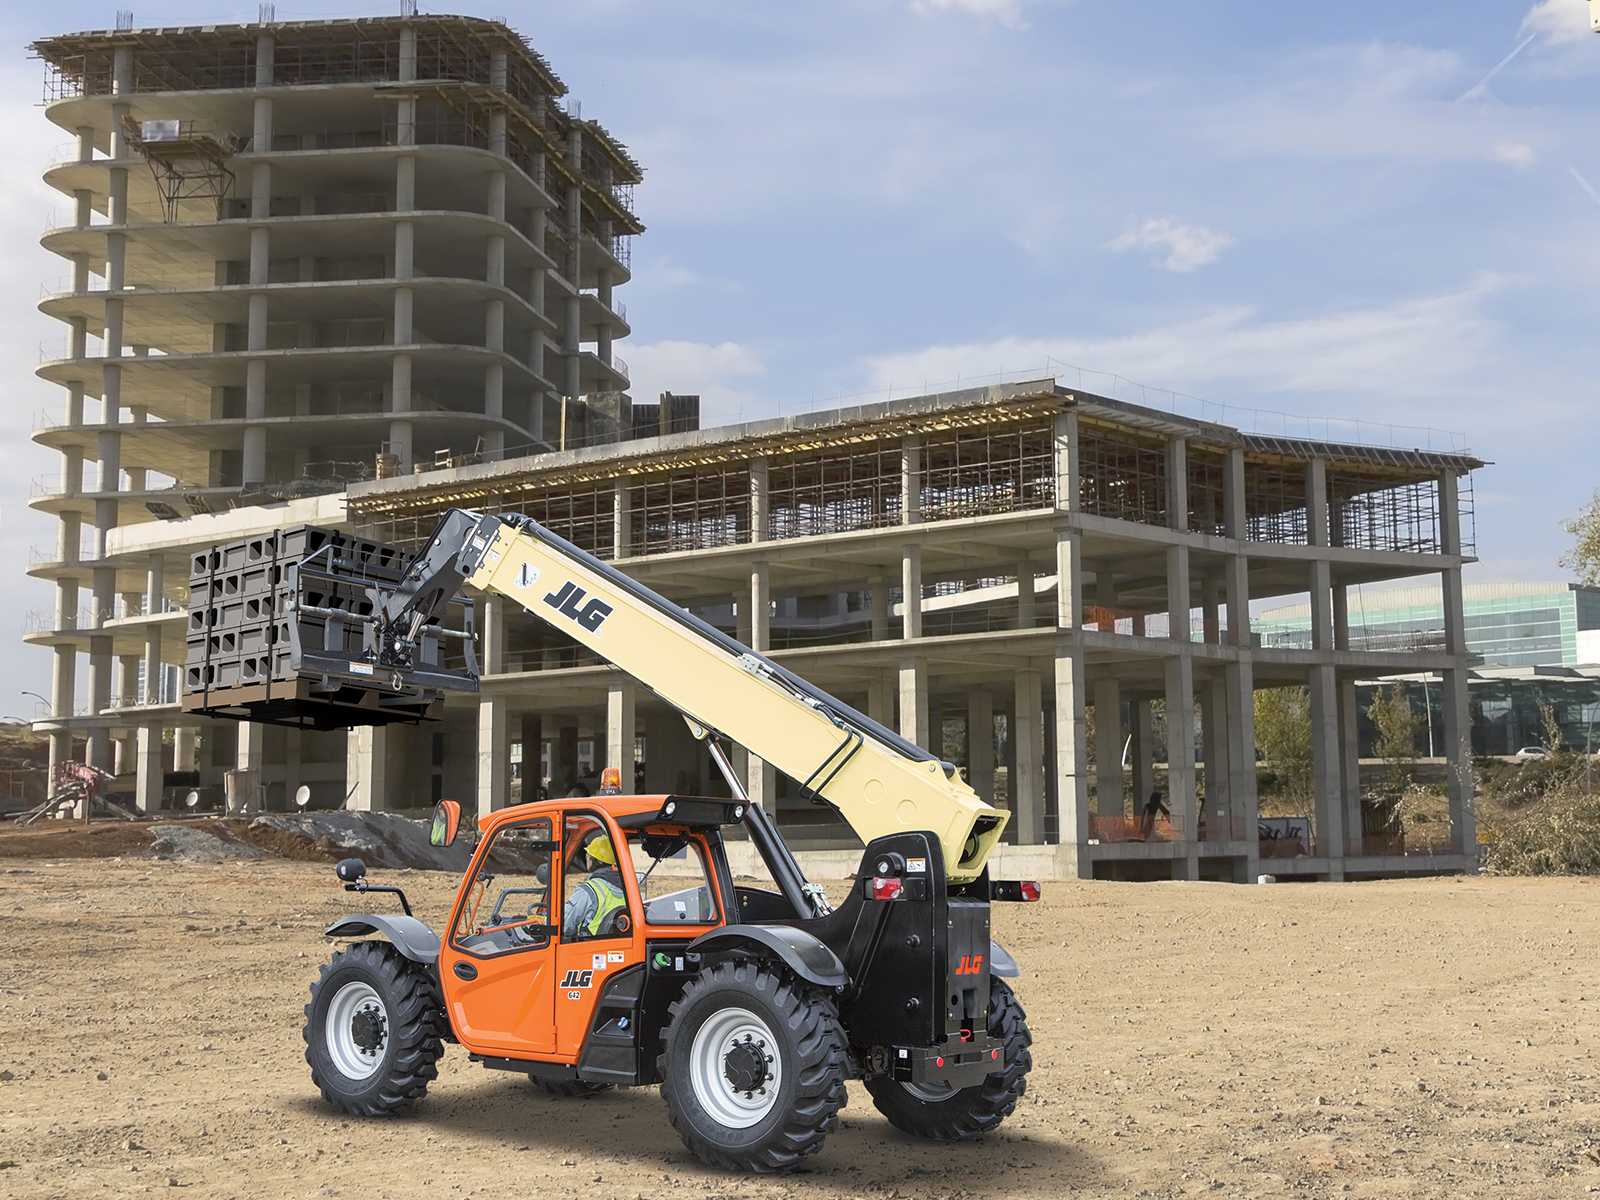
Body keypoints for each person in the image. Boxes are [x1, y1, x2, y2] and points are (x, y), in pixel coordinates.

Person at [561, 830, 628, 940]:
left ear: (594, 860)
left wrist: (543, 922)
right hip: (618, 944)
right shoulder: (629, 887)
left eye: (588, 855)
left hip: (590, 947)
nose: (587, 858)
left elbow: (564, 924)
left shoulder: (588, 890)